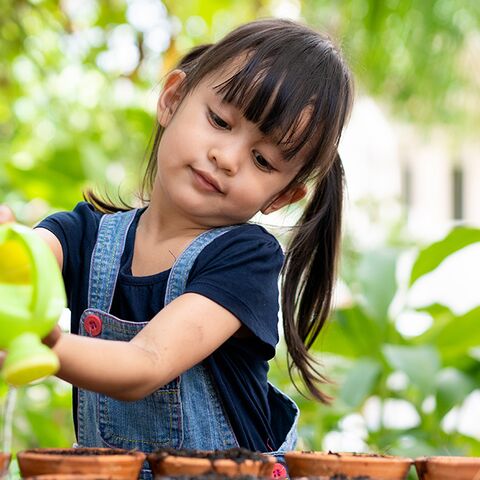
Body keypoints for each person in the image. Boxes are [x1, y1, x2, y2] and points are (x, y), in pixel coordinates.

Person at [0, 18, 353, 480]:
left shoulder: (245, 259)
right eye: (220, 121)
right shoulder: (84, 235)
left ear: (281, 197)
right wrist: (11, 247)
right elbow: (29, 257)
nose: (226, 158)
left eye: (262, 160)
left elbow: (146, 364)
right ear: (171, 99)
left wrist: (43, 345)